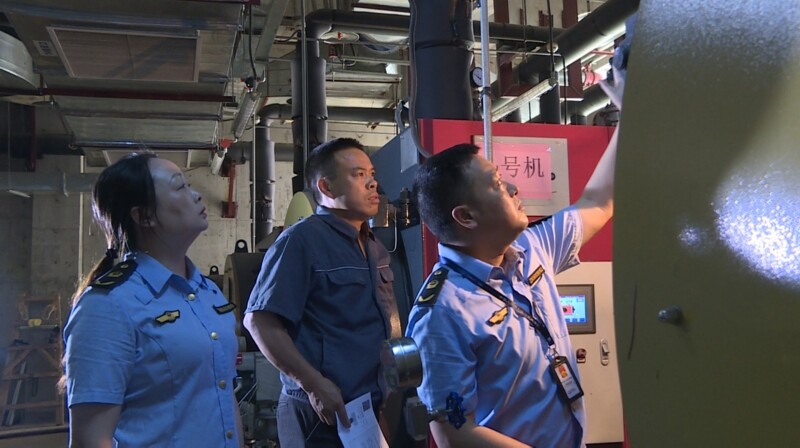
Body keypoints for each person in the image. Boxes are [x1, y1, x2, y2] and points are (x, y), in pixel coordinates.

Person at [406, 118, 619, 446]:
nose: (513, 188)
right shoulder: (441, 312)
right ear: (466, 216)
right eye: (496, 183)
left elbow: (599, 202)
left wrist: (628, 111)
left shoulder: (531, 248)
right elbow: (454, 433)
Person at [62, 153, 242, 447]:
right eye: (180, 186)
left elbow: (224, 395)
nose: (196, 195)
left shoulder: (208, 292)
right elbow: (90, 440)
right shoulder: (107, 306)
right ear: (144, 216)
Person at [243, 137, 400, 447]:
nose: (372, 183)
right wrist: (314, 384)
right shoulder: (301, 241)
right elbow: (259, 321)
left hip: (366, 410)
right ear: (326, 187)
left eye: (371, 173)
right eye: (358, 175)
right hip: (319, 414)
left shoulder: (373, 245)